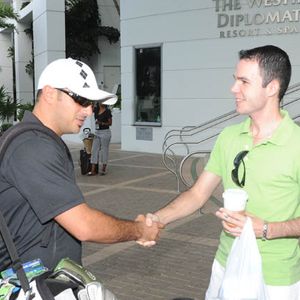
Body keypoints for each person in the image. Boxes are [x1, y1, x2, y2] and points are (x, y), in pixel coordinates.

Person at [142, 45, 300, 300]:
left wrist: (266, 229)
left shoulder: (296, 144)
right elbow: (197, 195)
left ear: (272, 87)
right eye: (235, 80)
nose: (233, 88)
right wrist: (156, 219)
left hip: (277, 278)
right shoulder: (228, 137)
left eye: (244, 81)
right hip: (226, 266)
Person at [0, 58, 161, 272]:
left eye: (91, 104)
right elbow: (83, 225)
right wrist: (139, 230)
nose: (88, 111)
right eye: (81, 100)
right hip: (29, 285)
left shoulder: (38, 141)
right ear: (49, 93)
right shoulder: (32, 146)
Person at [88, 103, 112, 176]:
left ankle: (103, 168)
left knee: (104, 150)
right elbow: (89, 110)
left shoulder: (107, 111)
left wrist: (101, 123)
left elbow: (110, 123)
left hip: (105, 132)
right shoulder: (96, 109)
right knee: (94, 150)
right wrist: (92, 102)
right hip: (97, 132)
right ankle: (93, 170)